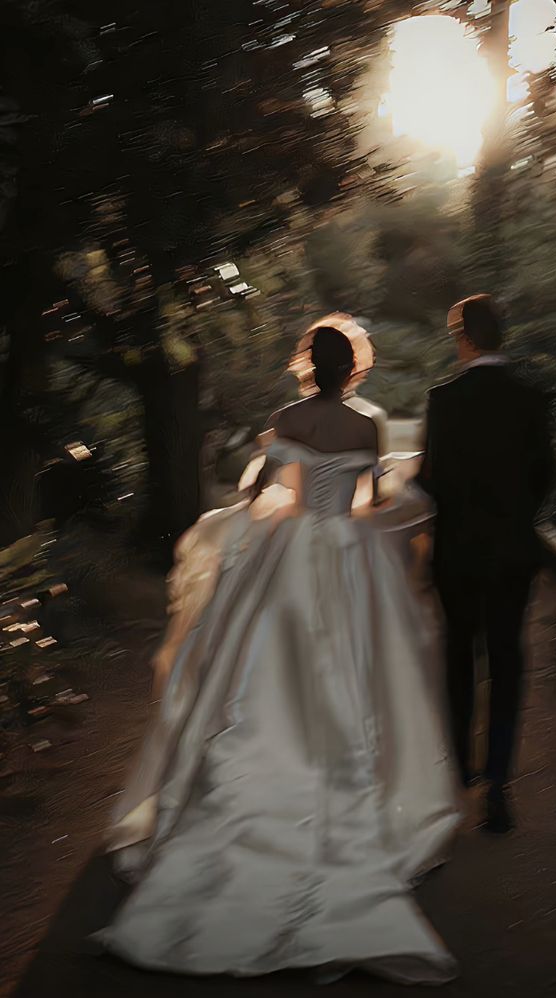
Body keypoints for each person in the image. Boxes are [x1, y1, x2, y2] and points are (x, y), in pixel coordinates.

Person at [92, 326, 460, 985]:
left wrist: (274, 486)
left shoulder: (286, 416)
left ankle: (240, 806)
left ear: (307, 366)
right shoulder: (363, 425)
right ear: (352, 370)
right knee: (350, 675)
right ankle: (338, 791)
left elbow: (267, 483)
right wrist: (381, 484)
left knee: (251, 671)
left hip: (284, 557)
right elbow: (369, 499)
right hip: (346, 558)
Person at [419, 295, 555, 834]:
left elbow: (433, 480)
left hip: (458, 552)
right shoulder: (533, 397)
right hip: (513, 551)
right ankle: (499, 783)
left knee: (459, 657)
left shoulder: (443, 400)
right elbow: (546, 472)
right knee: (507, 663)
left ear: (464, 338)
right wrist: (515, 516)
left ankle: (461, 773)